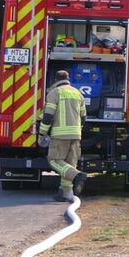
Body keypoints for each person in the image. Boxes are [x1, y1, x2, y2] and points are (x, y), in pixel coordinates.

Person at [39, 70, 87, 202]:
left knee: (54, 160)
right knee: (69, 163)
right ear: (68, 79)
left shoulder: (55, 92)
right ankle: (64, 193)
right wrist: (78, 131)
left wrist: (42, 133)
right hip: (76, 134)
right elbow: (83, 117)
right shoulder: (78, 93)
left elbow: (48, 116)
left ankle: (77, 175)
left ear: (55, 79)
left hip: (60, 134)